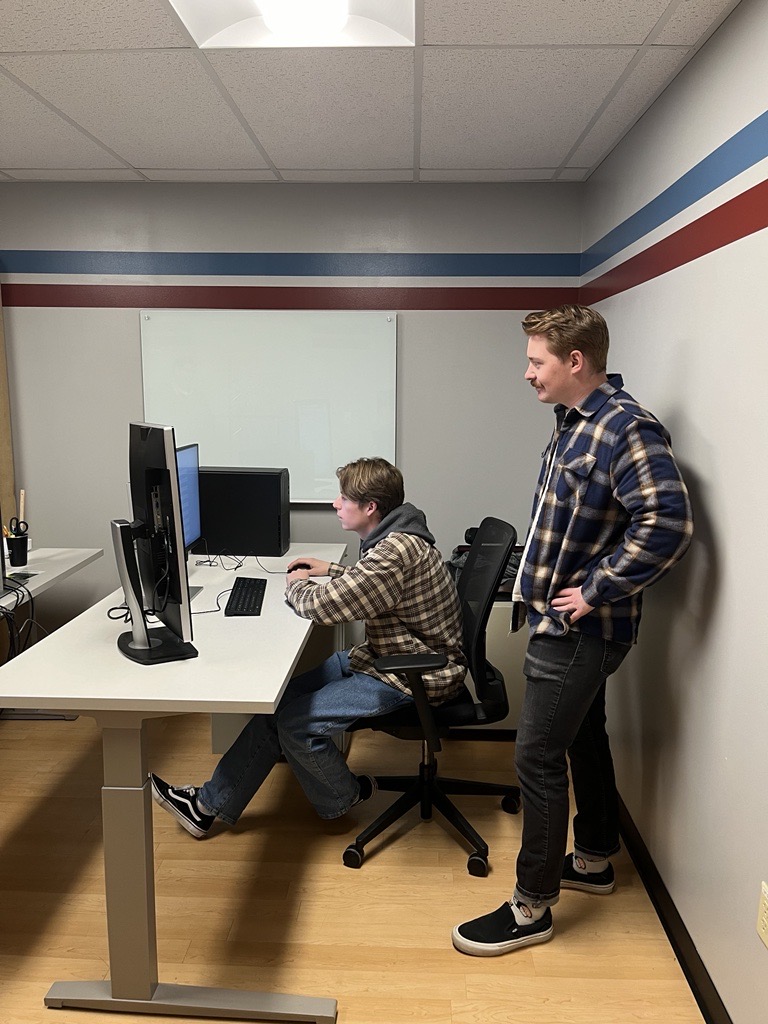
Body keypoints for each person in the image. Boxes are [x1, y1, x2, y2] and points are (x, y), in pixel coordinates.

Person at [452, 304, 693, 957]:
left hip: (581, 629)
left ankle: (531, 907)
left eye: (537, 361)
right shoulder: (573, 423)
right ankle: (593, 857)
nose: (527, 373)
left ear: (576, 360)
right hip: (561, 622)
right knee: (584, 735)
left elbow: (668, 524)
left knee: (536, 757)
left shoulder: (626, 429)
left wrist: (595, 588)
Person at [151, 456, 466, 838]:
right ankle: (206, 806)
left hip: (413, 673)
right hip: (388, 656)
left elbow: (322, 607)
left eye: (344, 498)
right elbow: (378, 585)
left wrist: (297, 583)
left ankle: (343, 796)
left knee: (296, 724)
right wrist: (330, 569)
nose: (335, 503)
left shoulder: (393, 552)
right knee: (279, 702)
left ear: (370, 507)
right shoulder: (397, 537)